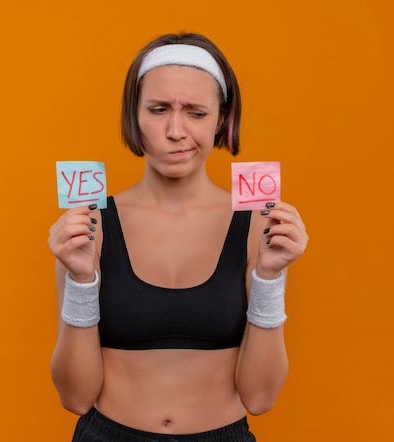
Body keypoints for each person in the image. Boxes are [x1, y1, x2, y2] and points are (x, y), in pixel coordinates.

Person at [48, 32, 308, 442]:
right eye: (157, 109)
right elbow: (76, 397)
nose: (175, 130)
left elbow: (259, 398)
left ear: (222, 118)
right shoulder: (89, 226)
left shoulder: (258, 225)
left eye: (196, 113)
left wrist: (269, 280)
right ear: (134, 115)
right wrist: (82, 280)